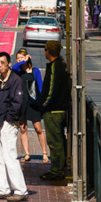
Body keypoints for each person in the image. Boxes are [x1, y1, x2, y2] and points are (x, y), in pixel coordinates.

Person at [0, 52, 29, 202]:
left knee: (10, 156)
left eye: (2, 63)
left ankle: (20, 190)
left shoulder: (15, 80)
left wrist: (9, 120)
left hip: (7, 123)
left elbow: (17, 103)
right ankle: (2, 188)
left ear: (9, 63)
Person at [11, 48, 49, 163]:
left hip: (33, 103)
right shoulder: (18, 71)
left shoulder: (35, 71)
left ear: (27, 57)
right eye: (17, 59)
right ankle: (27, 153)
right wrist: (23, 61)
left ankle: (44, 152)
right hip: (22, 103)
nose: (19, 60)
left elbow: (41, 87)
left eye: (21, 58)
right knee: (23, 129)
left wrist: (42, 102)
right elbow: (13, 68)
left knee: (38, 128)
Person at [40, 40, 70, 181]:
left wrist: (43, 105)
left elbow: (51, 91)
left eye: (45, 49)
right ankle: (60, 165)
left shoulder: (54, 67)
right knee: (59, 140)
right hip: (60, 109)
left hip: (54, 111)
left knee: (54, 142)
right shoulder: (60, 65)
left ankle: (56, 170)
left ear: (49, 51)